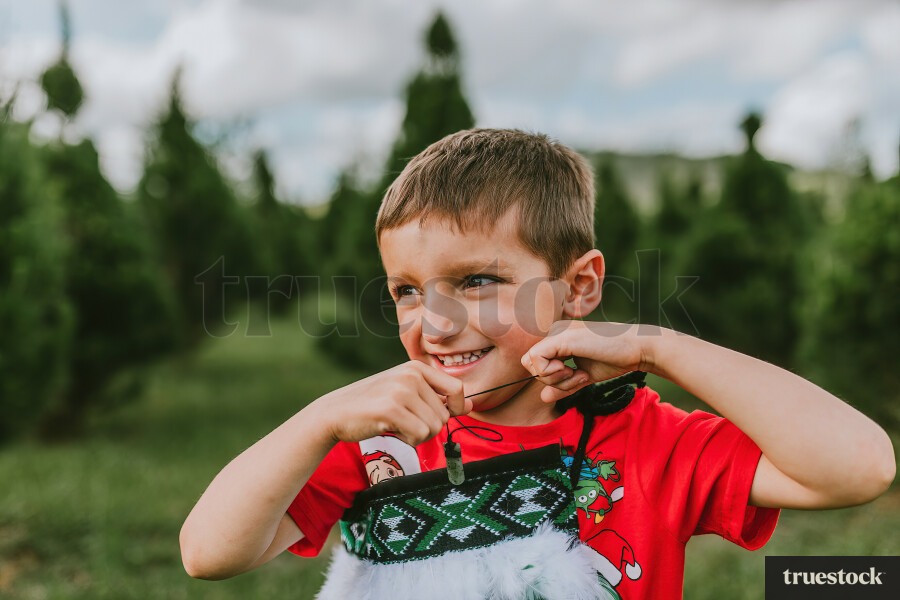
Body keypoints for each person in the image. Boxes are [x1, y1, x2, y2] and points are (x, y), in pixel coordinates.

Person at [179, 129, 895, 599]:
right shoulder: (381, 446)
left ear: (578, 286)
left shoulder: (646, 439)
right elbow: (208, 552)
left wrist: (659, 346)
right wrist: (316, 421)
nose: (434, 322)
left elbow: (859, 465)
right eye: (406, 291)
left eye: (477, 281)